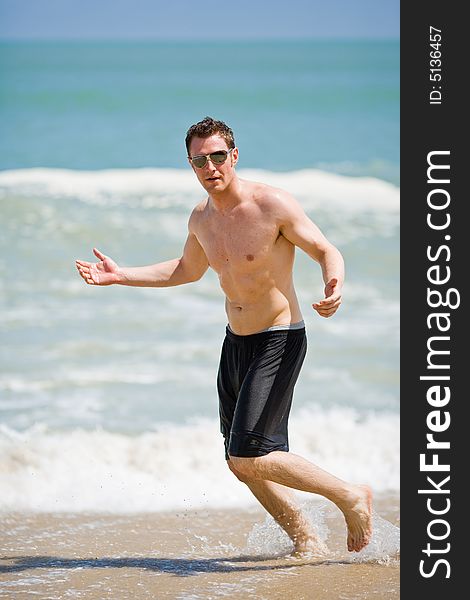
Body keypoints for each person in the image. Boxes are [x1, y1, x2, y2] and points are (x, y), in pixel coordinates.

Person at [76, 116, 372, 555]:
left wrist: (335, 283)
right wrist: (122, 276)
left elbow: (325, 249)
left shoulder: (272, 205)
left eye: (218, 156)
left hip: (279, 336)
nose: (211, 167)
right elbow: (187, 270)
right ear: (191, 165)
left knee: (248, 452)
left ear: (234, 156)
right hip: (236, 342)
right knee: (241, 462)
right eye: (200, 160)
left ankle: (351, 496)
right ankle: (306, 539)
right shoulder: (201, 218)